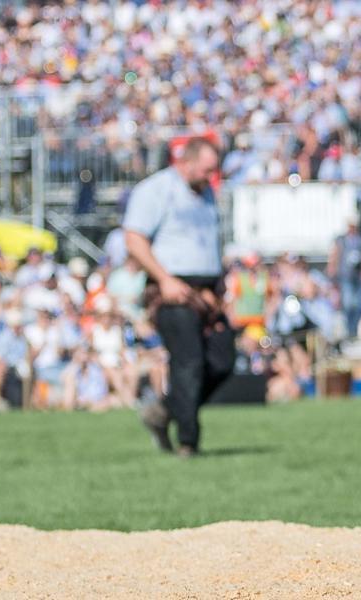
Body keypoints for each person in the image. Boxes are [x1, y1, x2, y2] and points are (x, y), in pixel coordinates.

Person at [123, 137, 228, 458]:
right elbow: (134, 239)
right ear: (187, 161)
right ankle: (188, 442)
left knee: (224, 361)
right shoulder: (156, 190)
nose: (211, 176)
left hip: (205, 293)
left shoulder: (206, 192)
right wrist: (165, 279)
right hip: (170, 291)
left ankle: (164, 411)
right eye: (207, 169)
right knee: (189, 363)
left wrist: (215, 291)